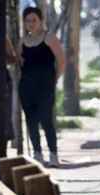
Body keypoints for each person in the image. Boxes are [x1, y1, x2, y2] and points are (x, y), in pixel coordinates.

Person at [18, 6, 64, 166]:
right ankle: (37, 154)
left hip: (45, 87)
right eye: (27, 21)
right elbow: (20, 62)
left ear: (40, 21)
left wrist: (54, 79)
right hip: (26, 88)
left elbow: (61, 61)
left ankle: (53, 154)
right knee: (31, 120)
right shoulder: (22, 42)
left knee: (46, 119)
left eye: (34, 20)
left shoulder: (49, 38)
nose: (31, 24)